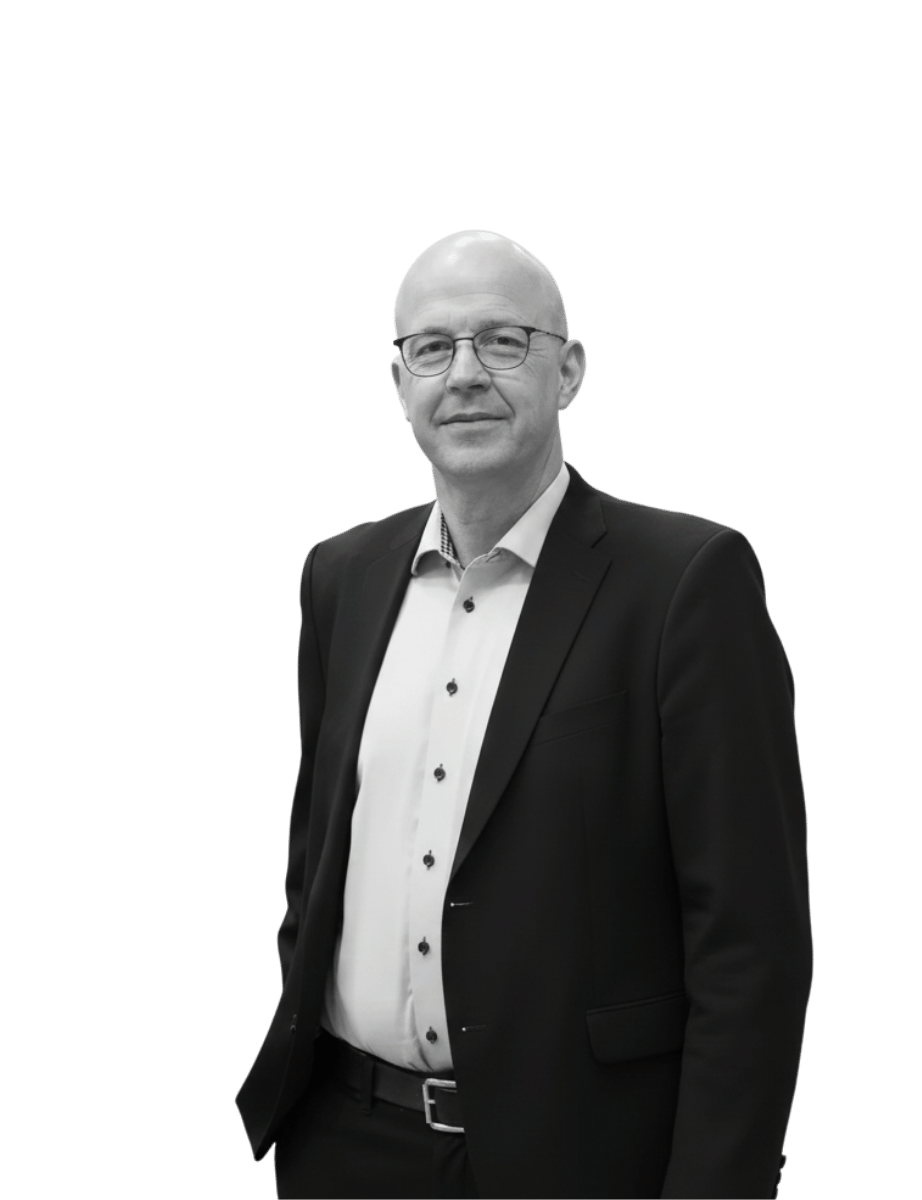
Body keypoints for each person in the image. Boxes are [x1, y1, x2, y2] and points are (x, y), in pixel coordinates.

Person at [234, 229, 813, 1199]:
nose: (464, 374)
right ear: (397, 380)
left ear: (569, 369)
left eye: (503, 342)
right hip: (344, 1148)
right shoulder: (341, 577)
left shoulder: (681, 584)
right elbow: (318, 853)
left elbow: (750, 942)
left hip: (578, 1157)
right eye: (432, 347)